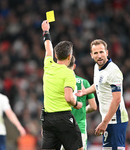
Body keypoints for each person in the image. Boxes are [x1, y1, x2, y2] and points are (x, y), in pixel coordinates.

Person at [76, 39, 129, 150]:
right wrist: (85, 91)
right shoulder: (97, 67)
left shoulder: (113, 71)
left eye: (101, 52)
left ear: (107, 52)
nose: (99, 56)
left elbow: (117, 100)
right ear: (91, 55)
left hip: (116, 120)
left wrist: (104, 122)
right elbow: (98, 84)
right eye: (96, 53)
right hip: (107, 119)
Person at [41, 20, 83, 150]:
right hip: (64, 118)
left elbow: (48, 47)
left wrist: (46, 31)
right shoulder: (69, 73)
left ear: (55, 55)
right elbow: (68, 97)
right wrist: (77, 104)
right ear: (70, 56)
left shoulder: (48, 65)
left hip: (47, 120)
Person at [61, 55, 97, 150]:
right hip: (79, 128)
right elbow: (93, 106)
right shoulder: (84, 83)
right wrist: (82, 108)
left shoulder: (59, 83)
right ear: (74, 66)